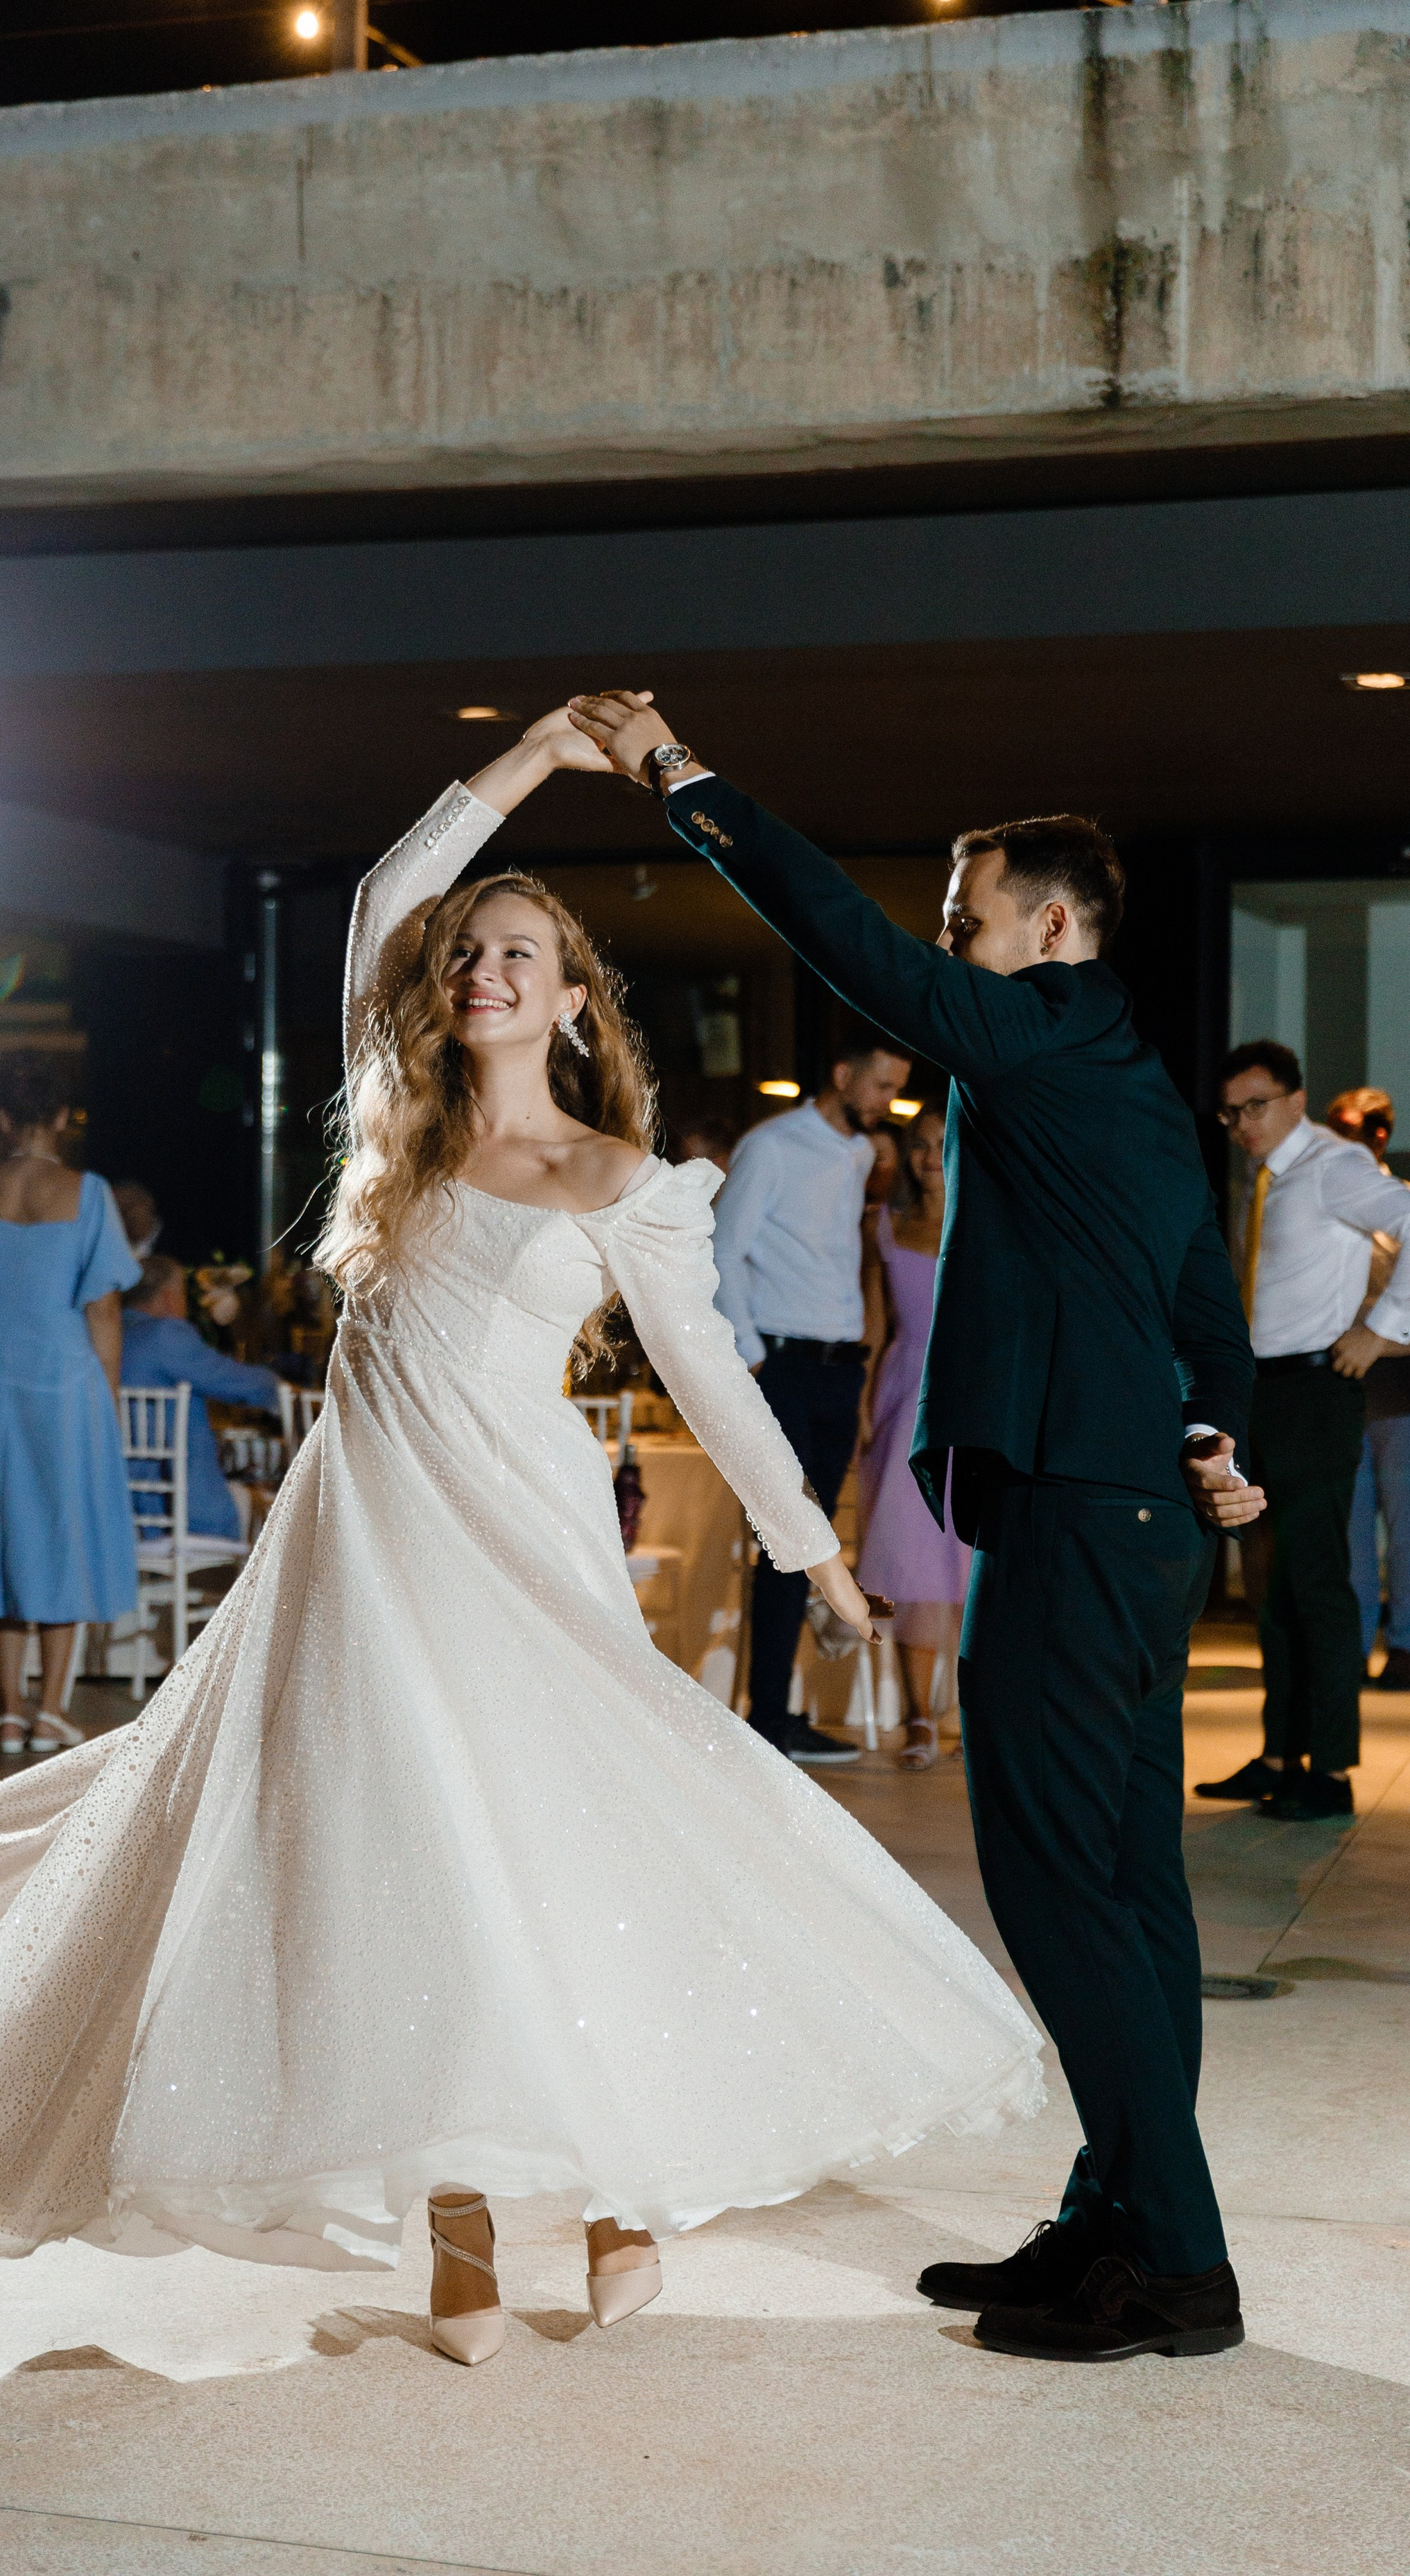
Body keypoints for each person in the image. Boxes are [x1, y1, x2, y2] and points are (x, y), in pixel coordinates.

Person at [0, 707, 1042, 2371]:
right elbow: (383, 897)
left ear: (570, 997)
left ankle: (619, 2178)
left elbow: (712, 1374)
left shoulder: (626, 1175)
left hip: (521, 1534)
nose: (480, 963)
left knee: (556, 1858)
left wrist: (809, 1551)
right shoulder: (393, 1112)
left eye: (520, 950)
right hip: (357, 1543)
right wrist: (541, 750)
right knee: (385, 1865)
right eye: (470, 947)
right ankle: (459, 2218)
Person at [570, 687, 1261, 2368]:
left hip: (1082, 1515)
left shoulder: (1039, 1026)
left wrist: (682, 780)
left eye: (961, 919)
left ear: (1044, 923)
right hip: (1119, 1499)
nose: (940, 948)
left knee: (1053, 1877)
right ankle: (1120, 2213)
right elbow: (1191, 1285)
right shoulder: (1114, 1067)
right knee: (1121, 1883)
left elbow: (847, 948)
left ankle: (1174, 2257)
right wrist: (1215, 1422)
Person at [1193, 1045, 1410, 1819]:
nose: (1241, 1123)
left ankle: (1332, 1771)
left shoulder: (1332, 1165)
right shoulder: (1271, 1176)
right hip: (1266, 1393)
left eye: (1255, 1105)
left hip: (1317, 1388)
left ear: (1295, 1099)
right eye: (1230, 1111)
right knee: (1271, 1584)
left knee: (1315, 1583)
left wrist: (1379, 1331)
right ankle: (1281, 1754)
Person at [0, 1061, 142, 1758]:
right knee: (62, 1530)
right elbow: (103, 1305)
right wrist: (108, 1393)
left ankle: (8, 1714)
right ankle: (50, 1713)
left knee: (1, 1532)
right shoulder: (88, 1192)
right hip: (62, 1369)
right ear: (61, 1120)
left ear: (4, 1121)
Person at [711, 1037, 911, 1764]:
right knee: (787, 1546)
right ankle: (769, 1719)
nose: (888, 1101)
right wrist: (754, 1360)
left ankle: (777, 1715)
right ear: (841, 1073)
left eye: (896, 1088)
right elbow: (722, 1248)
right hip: (785, 1367)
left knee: (817, 1543)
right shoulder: (771, 1146)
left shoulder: (858, 1155)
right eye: (881, 1085)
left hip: (838, 1370)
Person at [855, 1110, 972, 1771]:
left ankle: (975, 1715)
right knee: (910, 1558)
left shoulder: (988, 1228)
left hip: (972, 1398)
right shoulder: (882, 1227)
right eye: (919, 1145)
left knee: (971, 1557)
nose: (930, 1157)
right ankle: (919, 1718)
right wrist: (862, 1407)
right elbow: (874, 1326)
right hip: (904, 1400)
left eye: (942, 1145)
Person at [1327, 1089, 1410, 1690]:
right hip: (1336, 1390)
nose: (1339, 1138)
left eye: (1351, 1129)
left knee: (1405, 1532)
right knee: (1348, 1535)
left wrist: (1376, 1336)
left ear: (1380, 1136)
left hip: (1400, 1391)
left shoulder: (1399, 1204)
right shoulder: (1325, 1202)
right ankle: (1350, 1647)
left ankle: (1405, 1644)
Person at [119, 1253, 283, 1540]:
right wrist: (283, 1389)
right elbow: (235, 1382)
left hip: (121, 1511)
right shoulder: (164, 1335)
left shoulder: (110, 1336)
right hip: (179, 1511)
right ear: (169, 1297)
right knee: (277, 1505)